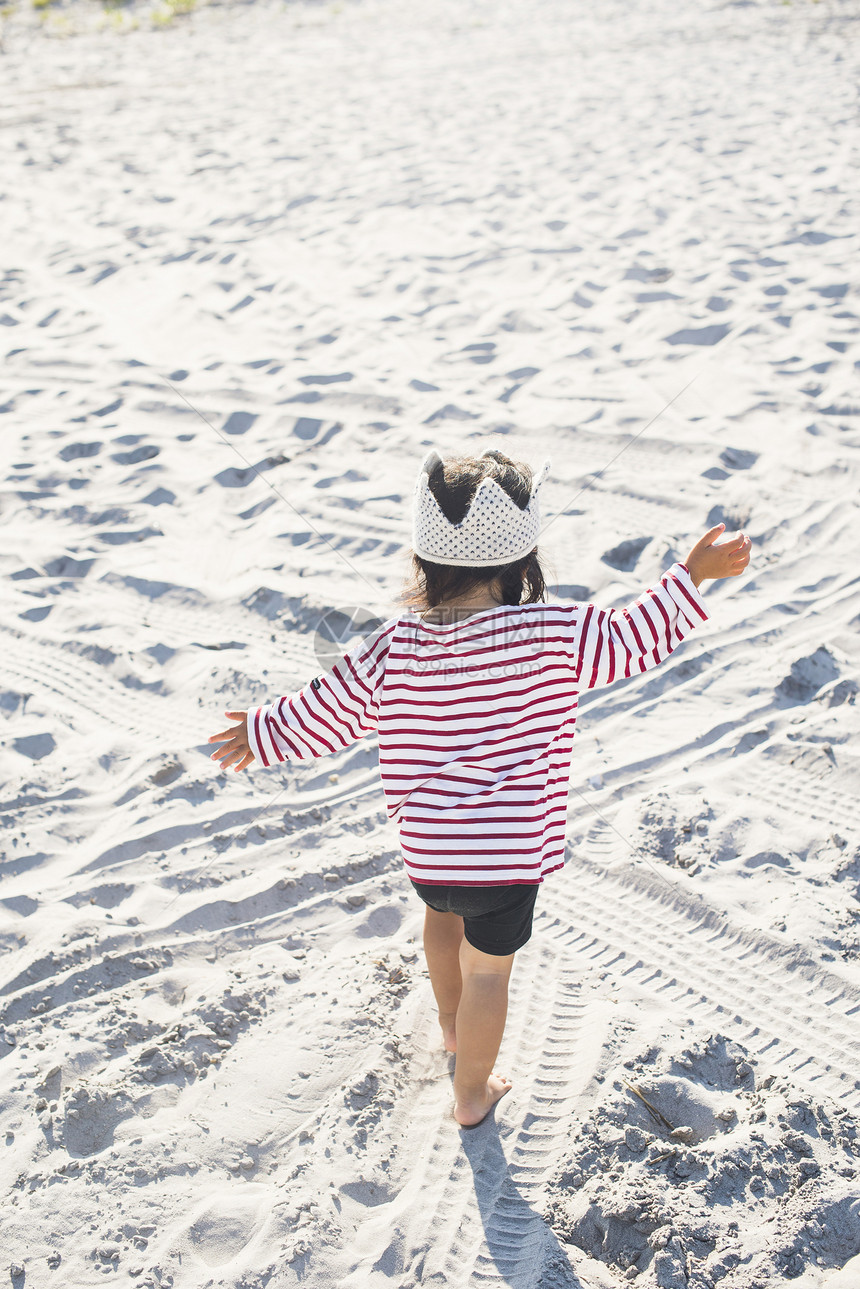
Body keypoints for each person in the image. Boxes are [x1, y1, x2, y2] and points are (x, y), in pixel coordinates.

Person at [208, 447, 751, 1127]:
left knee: (441, 919)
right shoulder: (556, 631)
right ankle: (471, 1093)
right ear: (525, 565)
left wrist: (263, 730)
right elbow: (633, 637)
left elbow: (329, 706)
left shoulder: (395, 643)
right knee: (490, 973)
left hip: (429, 853)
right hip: (507, 855)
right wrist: (688, 578)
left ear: (423, 564)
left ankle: (449, 1026)